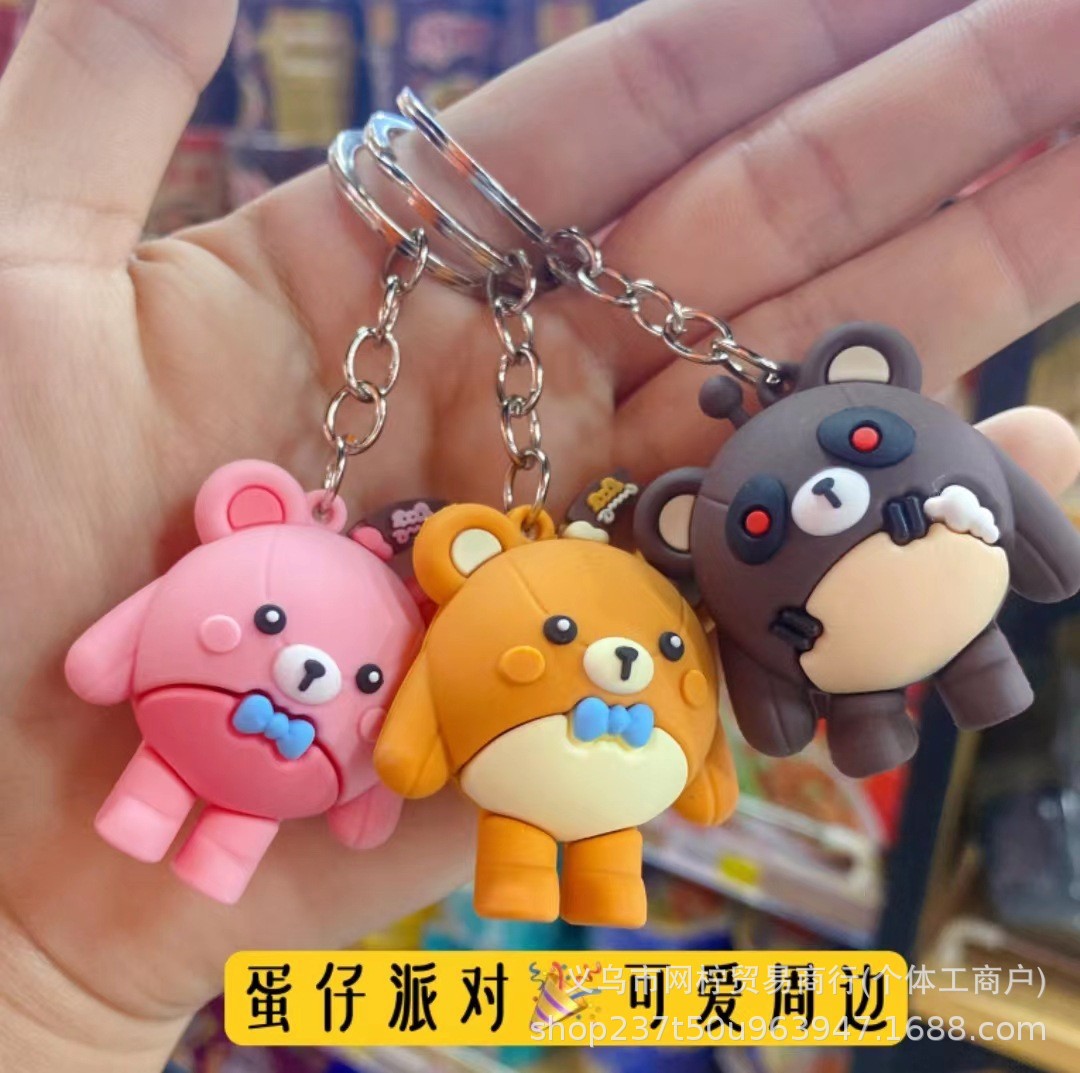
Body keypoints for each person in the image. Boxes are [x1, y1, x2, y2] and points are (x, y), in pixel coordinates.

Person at [1, 0, 1078, 1069]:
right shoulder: (465, 594)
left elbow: (708, 686)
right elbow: (421, 710)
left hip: (693, 695)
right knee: (514, 829)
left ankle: (955, 681)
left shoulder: (686, 559)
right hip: (360, 750)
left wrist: (49, 994)